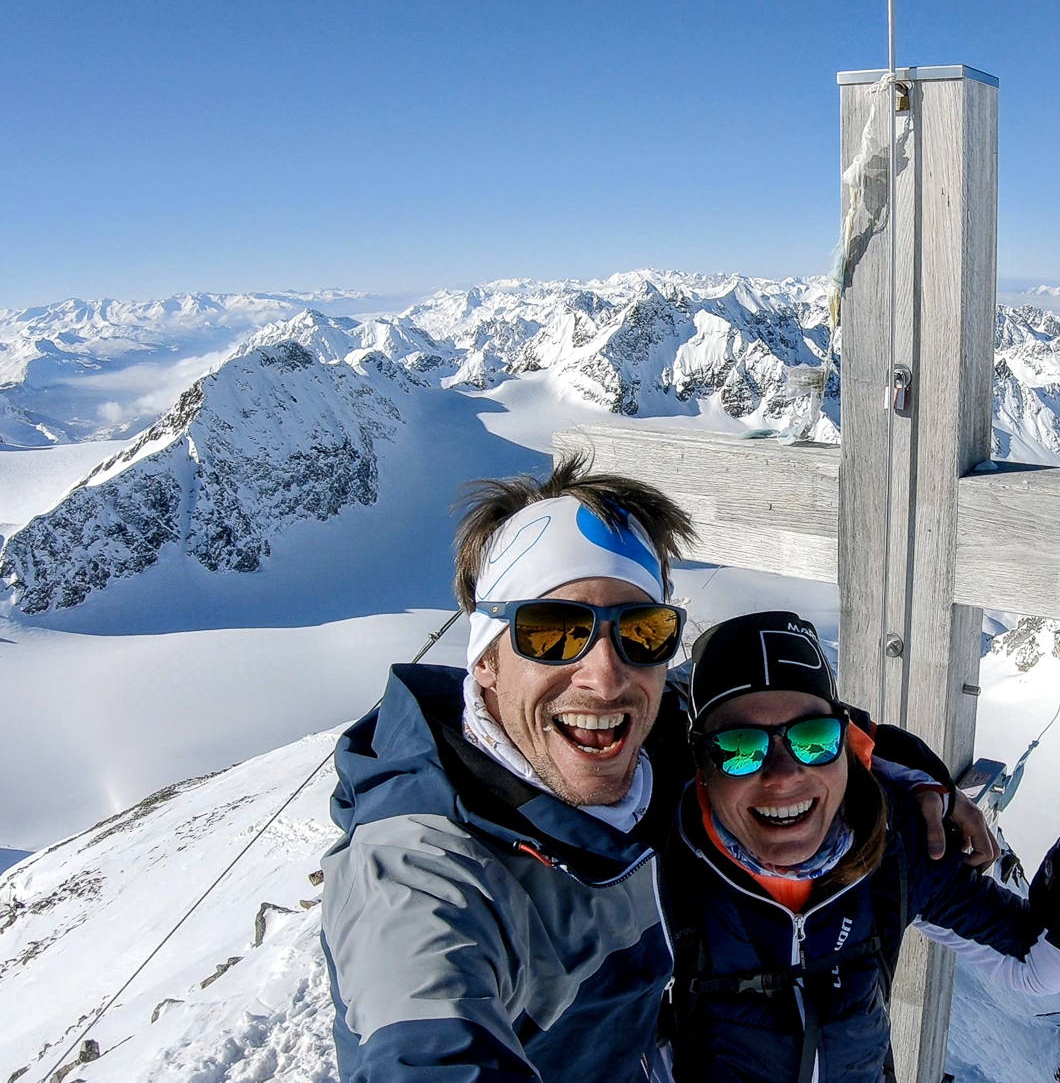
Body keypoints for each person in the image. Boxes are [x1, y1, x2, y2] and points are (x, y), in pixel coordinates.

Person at [320, 457, 994, 1083]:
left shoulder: (652, 739)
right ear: (486, 658)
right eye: (553, 632)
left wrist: (901, 763)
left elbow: (780, 723)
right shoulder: (423, 873)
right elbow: (427, 1044)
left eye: (640, 631)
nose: (607, 676)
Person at [663, 610, 1060, 1083]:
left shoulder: (895, 845)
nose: (783, 774)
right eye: (738, 748)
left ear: (845, 745)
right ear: (699, 765)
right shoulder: (657, 866)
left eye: (812, 738)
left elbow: (1035, 963)